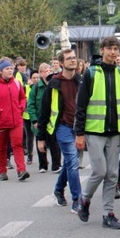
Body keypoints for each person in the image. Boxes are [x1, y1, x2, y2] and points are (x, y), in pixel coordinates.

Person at [75, 36, 120, 230]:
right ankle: (85, 199)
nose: (113, 52)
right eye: (109, 48)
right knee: (99, 171)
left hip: (115, 132)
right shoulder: (92, 73)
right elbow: (81, 105)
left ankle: (108, 214)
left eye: (116, 49)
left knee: (112, 174)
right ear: (102, 50)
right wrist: (79, 133)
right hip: (94, 131)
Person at [38, 50, 82, 213]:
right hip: (62, 127)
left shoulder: (81, 81)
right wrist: (41, 138)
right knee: (73, 161)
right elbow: (44, 111)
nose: (73, 60)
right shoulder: (54, 83)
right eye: (69, 59)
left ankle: (58, 189)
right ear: (61, 63)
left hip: (78, 128)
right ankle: (77, 200)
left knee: (70, 163)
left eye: (74, 58)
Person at [28, 63, 61, 173]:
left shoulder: (54, 84)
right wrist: (34, 120)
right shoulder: (36, 87)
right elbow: (31, 105)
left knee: (54, 143)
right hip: (40, 120)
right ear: (41, 73)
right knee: (40, 142)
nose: (49, 72)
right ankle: (43, 165)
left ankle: (56, 165)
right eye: (46, 71)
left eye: (50, 70)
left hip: (53, 120)